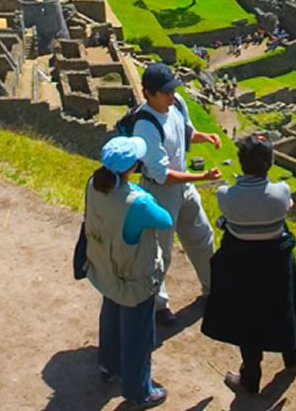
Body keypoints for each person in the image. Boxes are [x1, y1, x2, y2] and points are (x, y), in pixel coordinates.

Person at [203, 133, 296, 394]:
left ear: (241, 163)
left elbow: (228, 221)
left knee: (248, 319)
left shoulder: (226, 195)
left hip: (240, 263)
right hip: (275, 263)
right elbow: (286, 205)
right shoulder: (281, 193)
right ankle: (293, 356)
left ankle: (250, 375)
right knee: (285, 307)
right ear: (270, 162)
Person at [83, 135, 174, 409]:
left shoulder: (93, 184)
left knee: (111, 315)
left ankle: (108, 365)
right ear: (130, 168)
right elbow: (165, 220)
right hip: (133, 277)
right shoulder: (137, 203)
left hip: (105, 269)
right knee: (138, 335)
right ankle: (138, 391)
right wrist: (143, 194)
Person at [128, 61, 221, 324]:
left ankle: (213, 289)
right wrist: (202, 177)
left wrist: (207, 136)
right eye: (165, 92)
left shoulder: (177, 103)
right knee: (160, 251)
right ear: (149, 93)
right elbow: (162, 174)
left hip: (184, 188)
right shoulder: (144, 125)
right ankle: (159, 306)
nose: (171, 95)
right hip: (160, 192)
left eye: (172, 89)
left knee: (202, 237)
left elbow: (185, 132)